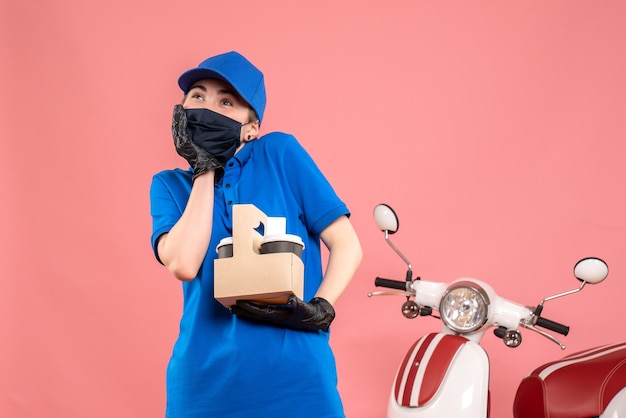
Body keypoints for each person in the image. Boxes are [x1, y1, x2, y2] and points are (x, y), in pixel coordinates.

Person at [149, 50, 363, 418]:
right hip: (204, 386)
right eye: (197, 96)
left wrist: (322, 307)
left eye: (227, 101)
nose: (208, 107)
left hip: (296, 376)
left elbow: (346, 244)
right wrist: (204, 169)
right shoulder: (169, 185)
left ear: (251, 127)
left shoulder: (280, 153)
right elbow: (183, 264)